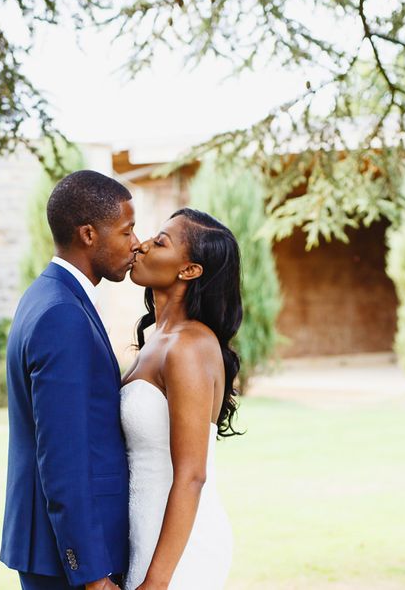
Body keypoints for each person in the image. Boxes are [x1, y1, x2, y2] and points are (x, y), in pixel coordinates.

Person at [0, 170, 140, 590]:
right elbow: (64, 455)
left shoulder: (48, 295)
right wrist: (92, 573)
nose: (135, 242)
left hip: (58, 548)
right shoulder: (63, 313)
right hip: (68, 558)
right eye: (126, 230)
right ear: (88, 234)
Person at [121, 208, 242, 590]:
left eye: (160, 242)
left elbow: (192, 475)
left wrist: (155, 584)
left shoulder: (189, 345)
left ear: (189, 271)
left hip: (179, 553)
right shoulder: (157, 339)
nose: (140, 246)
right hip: (145, 532)